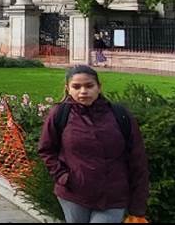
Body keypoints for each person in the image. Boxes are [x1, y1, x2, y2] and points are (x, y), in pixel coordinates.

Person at [37, 65, 150, 223]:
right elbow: (46, 150)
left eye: (89, 86)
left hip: (114, 195)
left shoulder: (120, 115)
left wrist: (138, 205)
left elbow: (137, 159)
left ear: (99, 87)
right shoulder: (60, 114)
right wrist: (63, 176)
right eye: (76, 87)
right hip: (75, 194)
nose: (83, 91)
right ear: (68, 89)